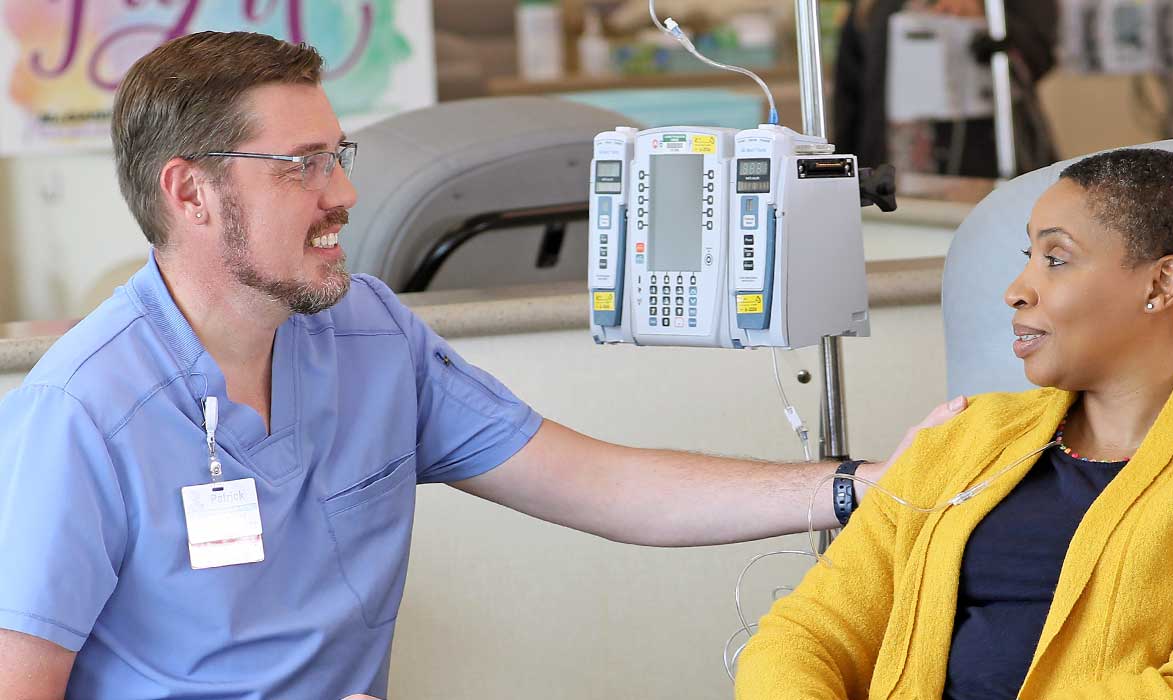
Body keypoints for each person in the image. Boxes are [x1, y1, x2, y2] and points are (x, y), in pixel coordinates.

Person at [0, 32, 958, 699]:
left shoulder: (369, 336)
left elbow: (599, 484)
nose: (344, 194)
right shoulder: (82, 414)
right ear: (191, 193)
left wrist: (860, 487)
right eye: (302, 165)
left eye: (339, 155)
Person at [735, 148, 1173, 699]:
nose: (1016, 289)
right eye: (1028, 256)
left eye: (1055, 258)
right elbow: (807, 634)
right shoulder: (967, 436)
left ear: (1161, 283)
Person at [832, 0, 1062, 178]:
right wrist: (842, 172)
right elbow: (850, 92)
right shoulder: (870, 7)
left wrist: (985, 18)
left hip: (986, 157)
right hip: (891, 160)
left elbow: (1039, 52)